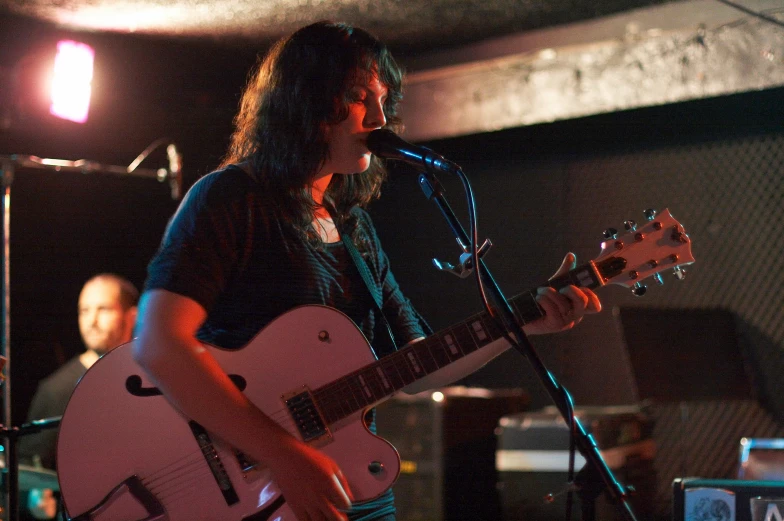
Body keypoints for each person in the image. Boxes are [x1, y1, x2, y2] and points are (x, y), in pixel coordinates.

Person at [133, 20, 601, 521]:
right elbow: (160, 344)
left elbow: (416, 366)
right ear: (304, 100)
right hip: (256, 493)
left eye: (384, 100)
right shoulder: (231, 198)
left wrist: (520, 323)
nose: (380, 117)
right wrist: (284, 455)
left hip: (352, 489)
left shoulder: (353, 228)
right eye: (359, 97)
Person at [21, 273, 139, 470]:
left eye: (103, 309)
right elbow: (29, 465)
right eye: (84, 311)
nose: (91, 321)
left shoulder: (152, 378)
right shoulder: (56, 390)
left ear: (132, 316)